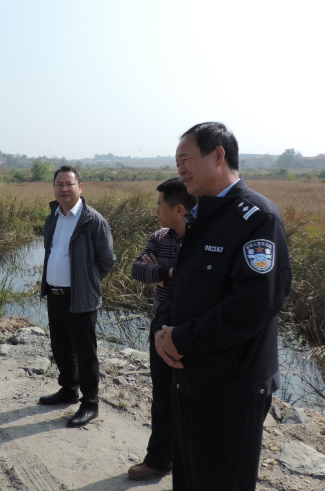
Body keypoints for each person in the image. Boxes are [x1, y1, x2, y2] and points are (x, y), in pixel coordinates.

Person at [154, 123, 292, 491]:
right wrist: (162, 331)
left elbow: (253, 305)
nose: (180, 169)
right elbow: (183, 286)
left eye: (186, 159)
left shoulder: (257, 217)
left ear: (218, 155)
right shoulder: (202, 216)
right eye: (177, 162)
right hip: (190, 380)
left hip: (231, 389)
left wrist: (181, 339)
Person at [37, 165, 116, 427]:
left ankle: (90, 403)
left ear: (80, 187)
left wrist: (86, 282)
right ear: (54, 188)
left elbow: (107, 260)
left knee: (85, 351)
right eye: (59, 184)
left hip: (80, 296)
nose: (64, 189)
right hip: (55, 293)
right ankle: (68, 389)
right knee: (60, 347)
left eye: (69, 184)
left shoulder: (93, 221)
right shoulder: (53, 217)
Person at [128, 177, 196, 480]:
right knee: (163, 397)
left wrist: (161, 275)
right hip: (160, 326)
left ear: (178, 208)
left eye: (160, 205)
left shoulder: (201, 238)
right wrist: (168, 271)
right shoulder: (159, 236)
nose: (156, 210)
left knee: (193, 400)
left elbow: (196, 280)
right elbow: (137, 270)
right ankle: (158, 459)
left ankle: (191, 463)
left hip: (191, 330)